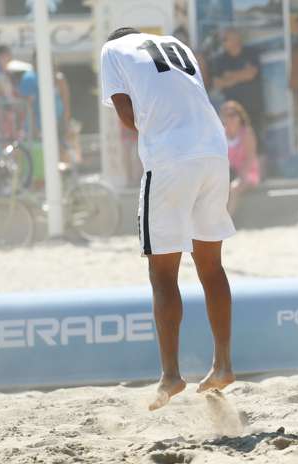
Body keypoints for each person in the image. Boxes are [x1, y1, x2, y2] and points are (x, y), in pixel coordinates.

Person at [100, 27, 236, 411]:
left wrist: (157, 135)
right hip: (214, 149)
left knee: (162, 273)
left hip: (171, 157)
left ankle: (171, 375)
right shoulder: (177, 45)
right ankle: (223, 364)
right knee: (212, 267)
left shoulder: (111, 48)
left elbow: (126, 114)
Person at [19, 52, 72, 161]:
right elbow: (27, 105)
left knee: (60, 153)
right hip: (38, 124)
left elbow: (66, 103)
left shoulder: (59, 78)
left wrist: (66, 123)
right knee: (41, 157)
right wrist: (34, 127)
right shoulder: (30, 78)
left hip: (58, 123)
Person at [210, 28, 264, 135]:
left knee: (256, 142)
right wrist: (242, 74)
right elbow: (217, 83)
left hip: (253, 107)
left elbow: (251, 74)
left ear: (236, 39)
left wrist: (229, 76)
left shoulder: (250, 53)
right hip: (232, 112)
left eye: (225, 39)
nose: (223, 42)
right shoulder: (220, 59)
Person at [222, 100, 260, 216]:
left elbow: (250, 158)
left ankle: (228, 221)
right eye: (227, 115)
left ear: (240, 116)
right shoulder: (221, 134)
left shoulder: (246, 133)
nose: (230, 118)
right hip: (228, 174)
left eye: (233, 114)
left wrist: (240, 177)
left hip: (248, 173)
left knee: (234, 188)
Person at [0, 45, 20, 141]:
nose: (10, 56)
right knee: (3, 140)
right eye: (7, 54)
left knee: (11, 140)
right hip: (0, 112)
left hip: (8, 111)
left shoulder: (6, 72)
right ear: (0, 56)